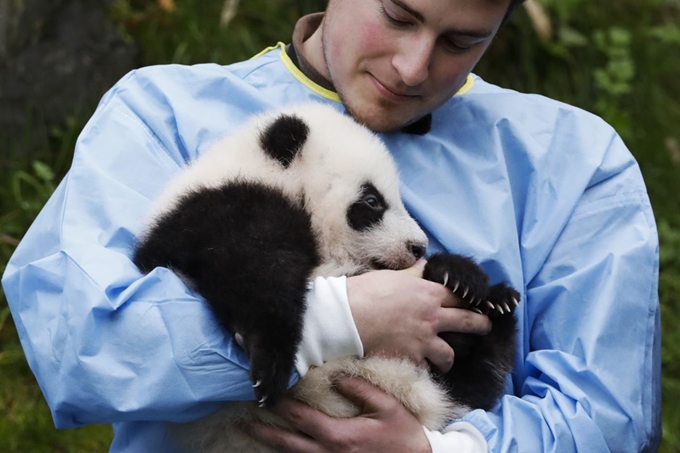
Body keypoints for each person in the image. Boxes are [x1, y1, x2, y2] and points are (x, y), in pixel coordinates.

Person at [2, 0, 662, 451]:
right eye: (398, 14)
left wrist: (433, 446)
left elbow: (610, 417)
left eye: (462, 40)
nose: (412, 66)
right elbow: (80, 344)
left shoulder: (575, 164)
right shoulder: (160, 114)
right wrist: (335, 318)